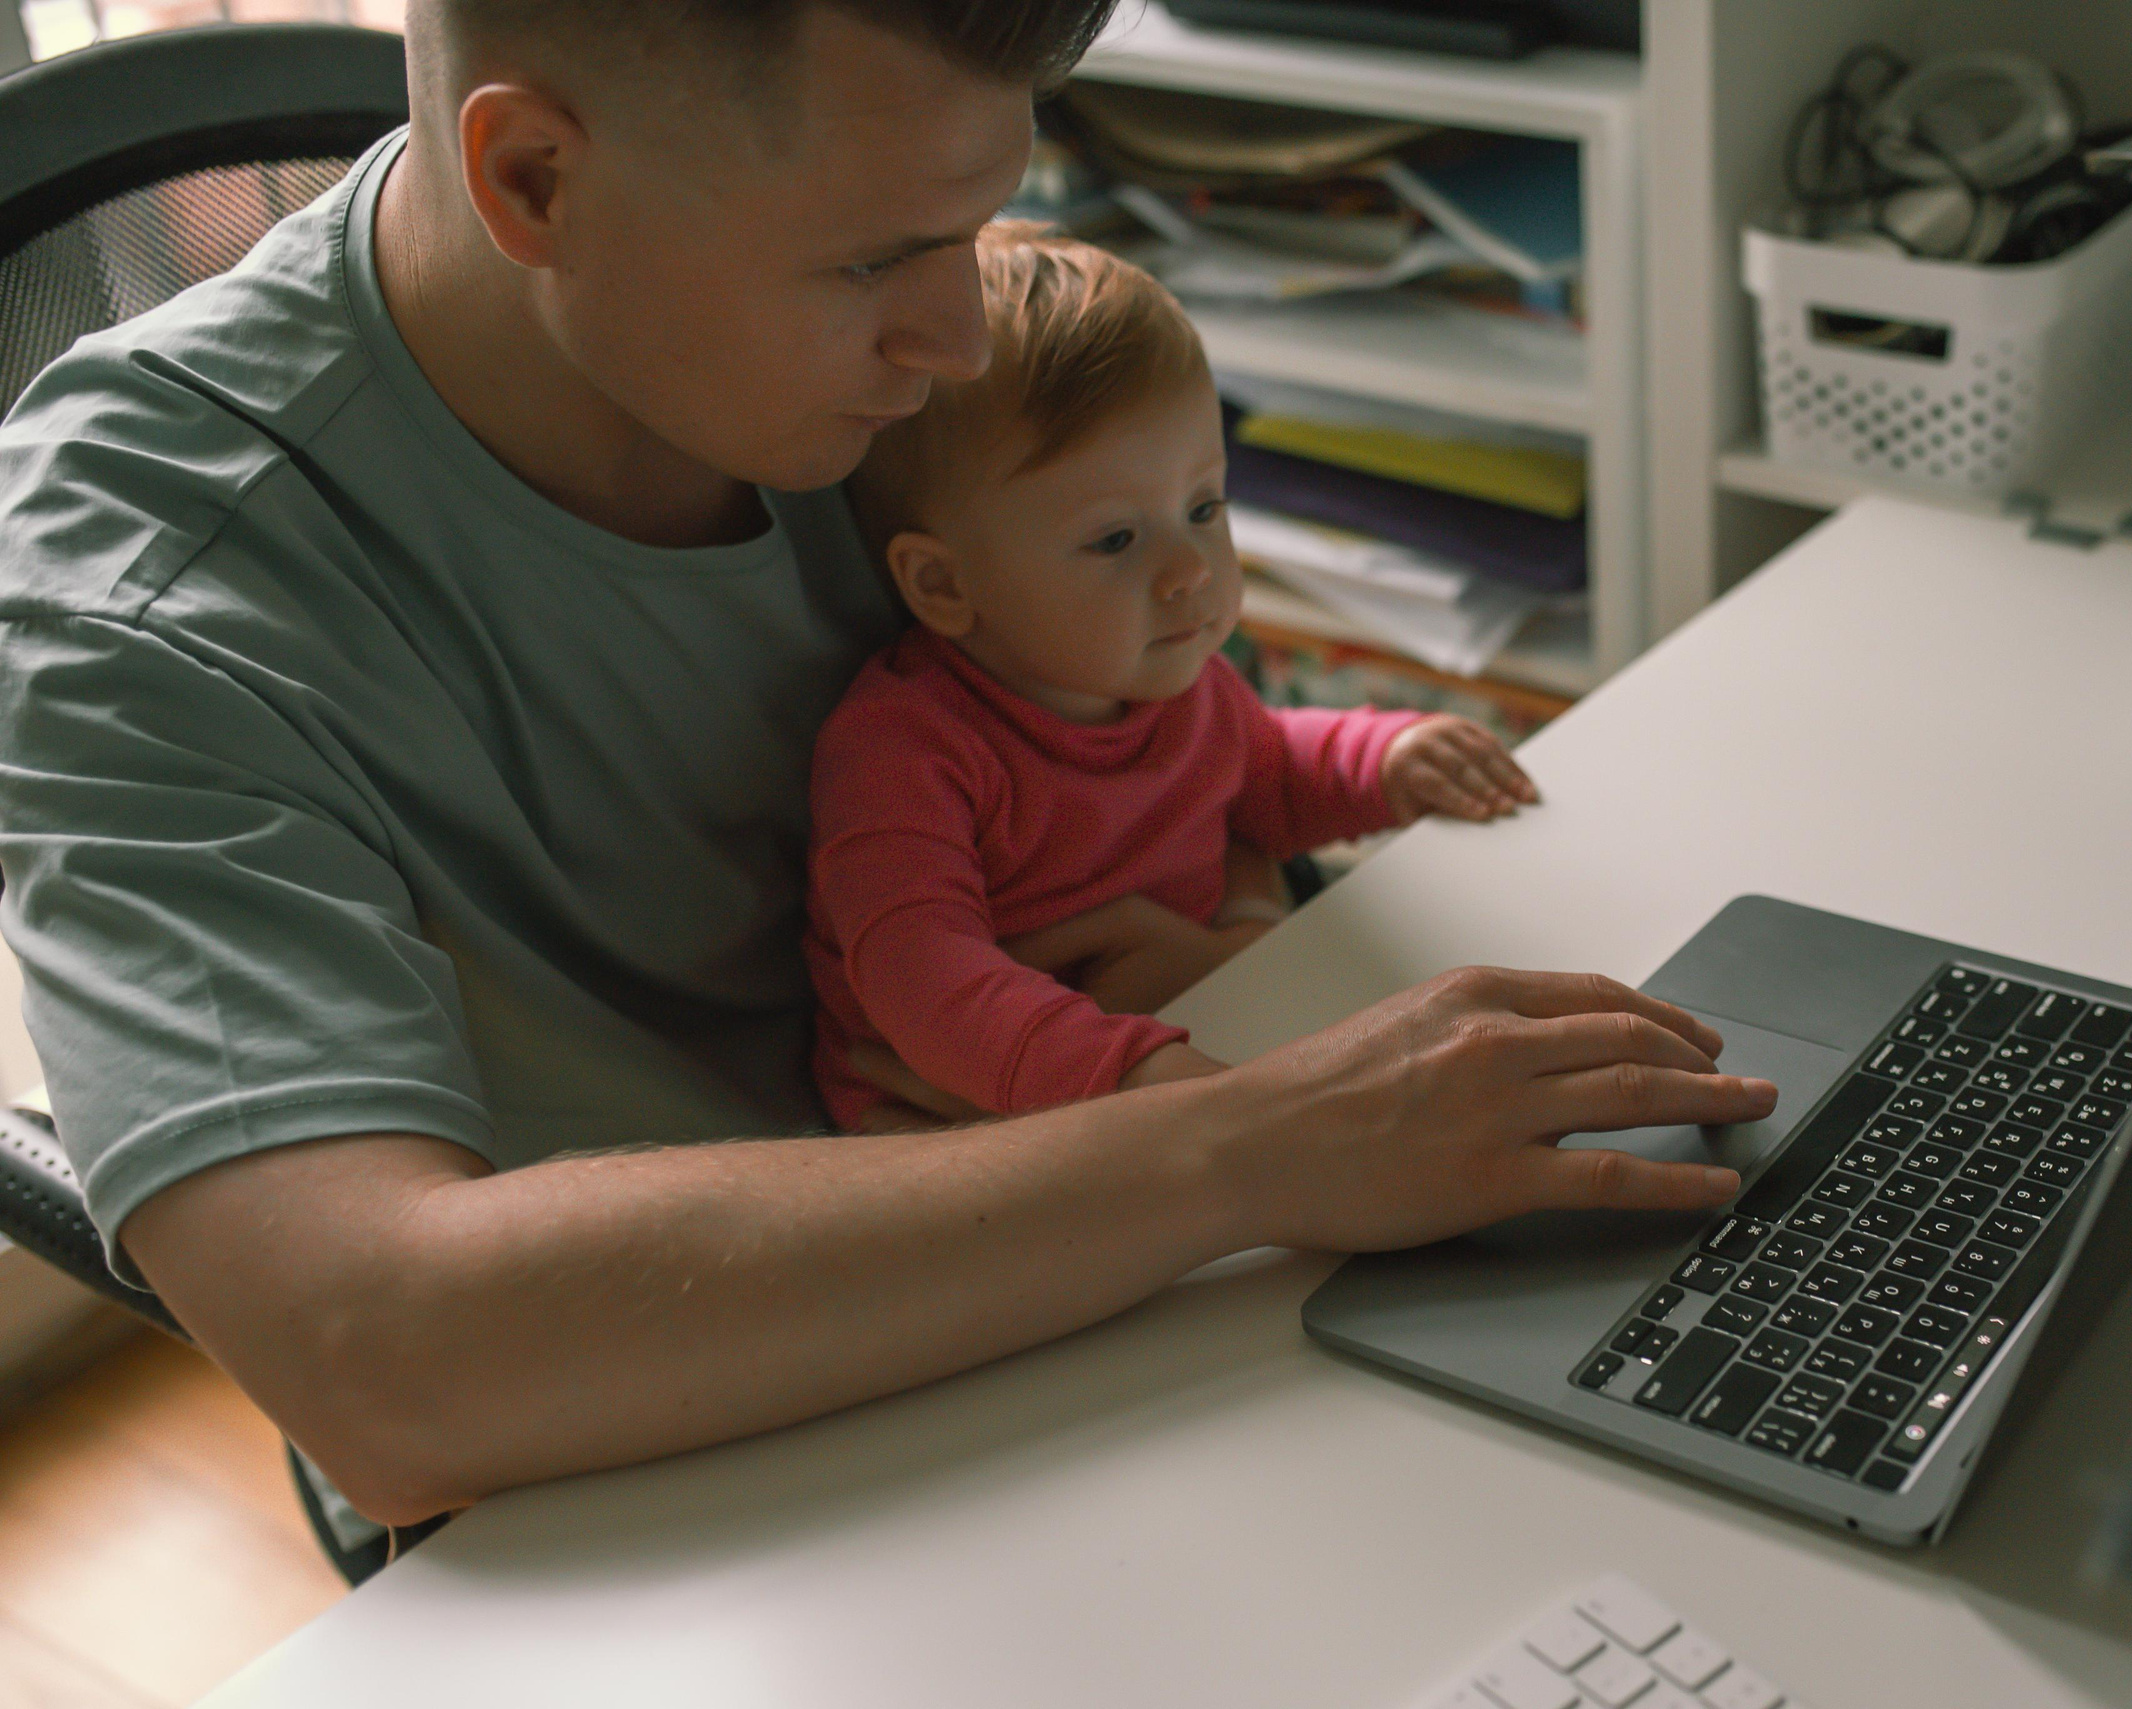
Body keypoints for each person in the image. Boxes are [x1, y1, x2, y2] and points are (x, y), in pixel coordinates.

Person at [0, 0, 1774, 1541]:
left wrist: (1221, 914)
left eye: (977, 224)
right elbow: (386, 1360)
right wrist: (1236, 1144)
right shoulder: (137, 593)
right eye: (873, 265)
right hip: (646, 1454)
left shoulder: (864, 310)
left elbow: (1172, 731)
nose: (968, 343)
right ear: (535, 177)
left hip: (1097, 1234)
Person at [812, 221, 1540, 1129]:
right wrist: (1149, 1082)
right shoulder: (904, 749)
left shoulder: (1179, 684)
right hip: (969, 1122)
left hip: (1190, 1058)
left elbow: (1268, 769)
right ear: (944, 584)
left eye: (1204, 506)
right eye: (1116, 538)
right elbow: (925, 978)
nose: (1190, 568)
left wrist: (1386, 759)